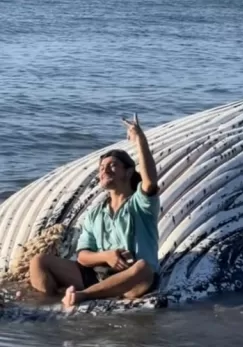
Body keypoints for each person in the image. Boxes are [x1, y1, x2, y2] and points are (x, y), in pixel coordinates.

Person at [28, 114, 160, 309]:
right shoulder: (95, 213)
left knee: (144, 268)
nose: (104, 170)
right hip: (98, 275)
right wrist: (106, 256)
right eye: (101, 168)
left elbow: (150, 182)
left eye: (112, 165)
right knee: (39, 261)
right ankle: (49, 308)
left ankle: (81, 297)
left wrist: (140, 140)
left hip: (131, 280)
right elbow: (83, 256)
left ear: (129, 172)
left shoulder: (141, 204)